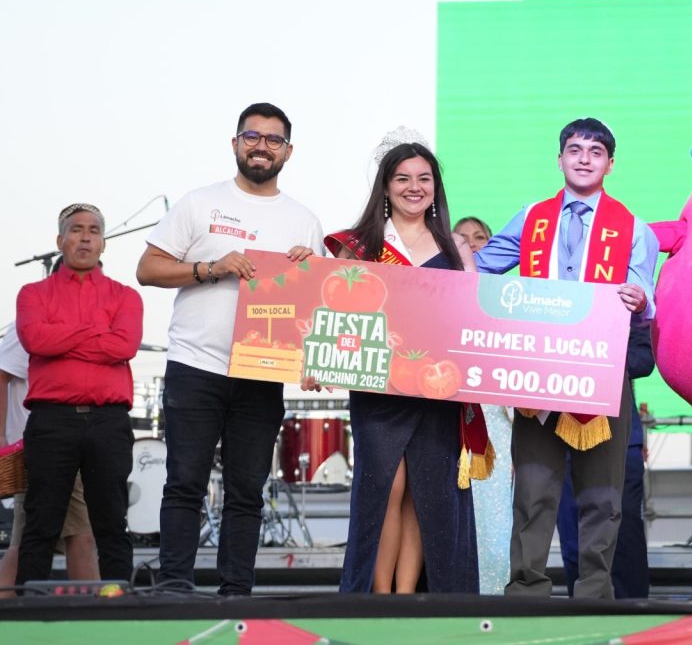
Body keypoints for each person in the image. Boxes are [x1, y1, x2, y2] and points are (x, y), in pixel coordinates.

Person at [136, 102, 324, 596]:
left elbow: (317, 307)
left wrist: (309, 272)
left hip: (262, 371)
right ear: (236, 143)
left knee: (247, 490)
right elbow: (148, 269)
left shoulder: (303, 220)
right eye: (252, 136)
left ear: (288, 151)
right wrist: (210, 268)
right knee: (184, 482)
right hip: (195, 364)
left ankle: (237, 592)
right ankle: (174, 587)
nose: (262, 146)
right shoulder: (199, 203)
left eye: (273, 139)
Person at [474, 117, 658, 599]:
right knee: (533, 490)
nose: (584, 159)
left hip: (602, 371)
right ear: (559, 159)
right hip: (538, 374)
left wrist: (641, 300)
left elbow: (646, 298)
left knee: (603, 494)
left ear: (610, 165)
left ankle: (594, 592)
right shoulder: (531, 218)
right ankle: (527, 591)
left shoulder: (635, 229)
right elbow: (481, 267)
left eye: (595, 152)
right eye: (575, 150)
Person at [319, 130, 479, 594]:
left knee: (425, 494)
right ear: (386, 187)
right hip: (378, 390)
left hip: (438, 389)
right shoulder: (359, 244)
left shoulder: (454, 247)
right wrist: (317, 361)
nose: (415, 187)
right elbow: (332, 312)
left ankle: (409, 597)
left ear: (435, 187)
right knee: (385, 488)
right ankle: (377, 597)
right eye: (403, 178)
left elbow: (471, 316)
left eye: (424, 178)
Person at [15, 204, 142, 587]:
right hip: (52, 420)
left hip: (108, 422)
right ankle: (31, 609)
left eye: (93, 230)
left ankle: (118, 606)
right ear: (60, 240)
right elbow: (36, 340)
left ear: (103, 243)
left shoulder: (125, 296)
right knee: (41, 521)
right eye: (76, 229)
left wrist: (63, 335)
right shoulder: (33, 293)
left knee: (112, 522)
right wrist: (96, 332)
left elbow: (124, 346)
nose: (85, 237)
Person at [0, 314, 100, 598]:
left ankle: (95, 614)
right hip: (42, 446)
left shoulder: (67, 325)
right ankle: (98, 615)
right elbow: (1, 373)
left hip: (56, 443)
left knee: (33, 540)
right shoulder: (31, 325)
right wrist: (2, 438)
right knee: (78, 536)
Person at [556, 318, 653, 598]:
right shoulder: (550, 302)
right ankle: (584, 611)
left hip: (620, 437)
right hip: (562, 434)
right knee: (573, 539)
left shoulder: (624, 301)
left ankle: (633, 613)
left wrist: (593, 355)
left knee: (626, 536)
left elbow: (643, 359)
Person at [454, 215, 513, 595]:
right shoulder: (437, 302)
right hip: (448, 428)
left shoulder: (509, 306)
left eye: (480, 238)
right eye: (462, 239)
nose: (472, 245)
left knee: (495, 522)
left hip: (496, 433)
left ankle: (495, 600)